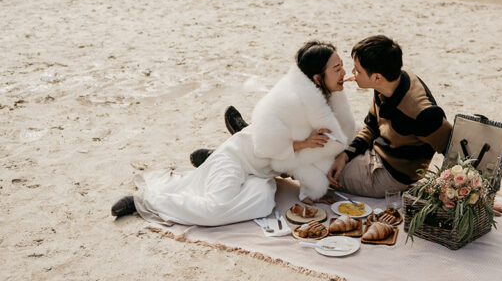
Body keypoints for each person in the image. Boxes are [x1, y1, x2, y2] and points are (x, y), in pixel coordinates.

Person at [110, 41, 356, 226]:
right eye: (337, 68)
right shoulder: (288, 102)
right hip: (238, 157)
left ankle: (210, 162)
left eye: (342, 66)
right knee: (214, 209)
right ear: (317, 77)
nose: (344, 72)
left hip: (261, 173)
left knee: (263, 204)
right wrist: (302, 144)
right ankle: (145, 201)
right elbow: (265, 146)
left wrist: (312, 193)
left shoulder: (327, 98)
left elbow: (316, 153)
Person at [327, 35, 502, 220]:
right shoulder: (391, 81)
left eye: (357, 70)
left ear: (377, 77)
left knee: (314, 165)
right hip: (380, 147)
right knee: (325, 137)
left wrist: (481, 197)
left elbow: (456, 152)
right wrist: (346, 156)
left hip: (387, 175)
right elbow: (371, 126)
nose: (352, 74)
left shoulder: (422, 113)